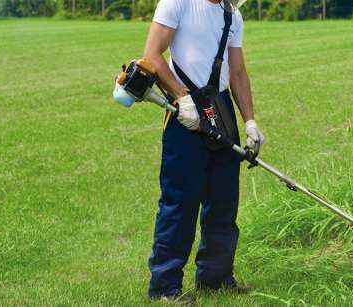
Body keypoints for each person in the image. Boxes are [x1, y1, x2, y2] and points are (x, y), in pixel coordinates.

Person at [142, 0, 265, 303]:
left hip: (219, 110)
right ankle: (165, 287)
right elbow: (152, 56)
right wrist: (182, 98)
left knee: (224, 200)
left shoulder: (231, 14)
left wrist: (249, 121)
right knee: (180, 201)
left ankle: (215, 277)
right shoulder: (177, 3)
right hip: (183, 113)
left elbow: (237, 72)